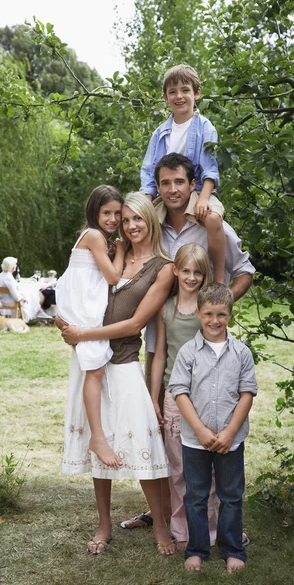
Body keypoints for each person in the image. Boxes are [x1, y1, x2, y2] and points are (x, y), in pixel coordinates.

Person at [121, 152, 255, 530]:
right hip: (161, 337)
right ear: (158, 187)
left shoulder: (211, 223)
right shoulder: (153, 224)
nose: (173, 189)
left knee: (205, 442)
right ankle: (167, 515)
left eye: (180, 181)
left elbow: (245, 272)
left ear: (192, 184)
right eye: (165, 182)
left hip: (206, 354)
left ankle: (213, 522)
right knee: (168, 442)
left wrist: (213, 309)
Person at [60, 192, 176, 556]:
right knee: (101, 444)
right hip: (93, 361)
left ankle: (160, 526)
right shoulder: (111, 253)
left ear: (150, 221)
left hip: (124, 362)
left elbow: (136, 323)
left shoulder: (163, 267)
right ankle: (104, 525)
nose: (130, 225)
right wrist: (69, 326)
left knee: (144, 448)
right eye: (125, 220)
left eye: (137, 219)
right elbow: (82, 290)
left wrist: (83, 335)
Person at [168, 283, 257, 572]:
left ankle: (233, 549)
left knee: (231, 495)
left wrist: (230, 432)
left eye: (221, 314)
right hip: (196, 440)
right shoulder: (188, 352)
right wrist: (202, 431)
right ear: (198, 313)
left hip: (232, 439)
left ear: (230, 313)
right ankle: (197, 549)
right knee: (196, 495)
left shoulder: (241, 353)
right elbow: (180, 391)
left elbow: (247, 393)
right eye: (208, 314)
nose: (214, 320)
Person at [150, 243, 218, 551]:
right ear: (175, 270)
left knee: (209, 470)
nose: (191, 277)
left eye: (198, 272)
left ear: (205, 275)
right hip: (174, 398)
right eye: (186, 270)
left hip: (207, 397)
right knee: (177, 470)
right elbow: (160, 354)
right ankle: (181, 532)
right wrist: (154, 396)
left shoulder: (209, 308)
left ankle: (213, 530)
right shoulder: (166, 308)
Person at [56, 185, 126, 468]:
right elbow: (111, 277)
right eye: (106, 212)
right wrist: (120, 249)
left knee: (94, 369)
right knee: (95, 369)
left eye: (117, 213)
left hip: (80, 305)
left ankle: (96, 432)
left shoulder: (93, 237)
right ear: (94, 212)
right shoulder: (95, 236)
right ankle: (97, 437)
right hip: (83, 309)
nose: (112, 219)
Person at [140, 65, 226, 283]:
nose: (179, 96)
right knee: (135, 221)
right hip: (167, 191)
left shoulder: (205, 127)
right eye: (172, 92)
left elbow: (210, 169)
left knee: (213, 218)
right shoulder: (160, 133)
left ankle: (218, 280)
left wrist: (204, 199)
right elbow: (149, 172)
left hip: (197, 190)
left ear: (196, 93)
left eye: (185, 90)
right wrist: (145, 203)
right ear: (165, 97)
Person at [0, 257, 41, 323]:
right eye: (15, 264)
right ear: (10, 266)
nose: (16, 266)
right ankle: (24, 320)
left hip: (3, 300)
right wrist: (22, 298)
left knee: (27, 296)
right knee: (29, 298)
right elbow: (15, 293)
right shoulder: (8, 277)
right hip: (9, 301)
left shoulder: (1, 274)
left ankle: (21, 317)